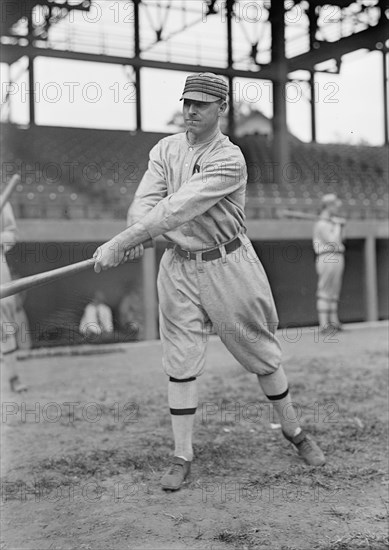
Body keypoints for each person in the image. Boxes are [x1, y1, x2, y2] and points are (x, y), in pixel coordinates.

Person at [93, 73, 326, 491]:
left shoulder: (230, 158)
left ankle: (295, 432)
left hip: (228, 263)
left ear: (222, 109)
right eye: (187, 102)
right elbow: (146, 203)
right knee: (179, 361)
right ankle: (182, 455)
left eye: (202, 103)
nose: (191, 110)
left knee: (262, 354)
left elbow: (178, 209)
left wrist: (127, 239)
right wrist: (133, 234)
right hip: (178, 266)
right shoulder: (165, 149)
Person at [0, 201, 27, 393]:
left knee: (5, 320)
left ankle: (13, 377)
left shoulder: (2, 200)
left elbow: (11, 234)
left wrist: (1, 237)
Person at [313, 194, 346, 333]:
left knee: (334, 292)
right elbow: (333, 242)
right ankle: (324, 324)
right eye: (334, 205)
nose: (337, 208)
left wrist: (341, 227)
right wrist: (338, 226)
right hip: (326, 256)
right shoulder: (321, 224)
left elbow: (341, 240)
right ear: (328, 206)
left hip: (337, 255)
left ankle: (334, 322)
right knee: (325, 291)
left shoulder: (331, 222)